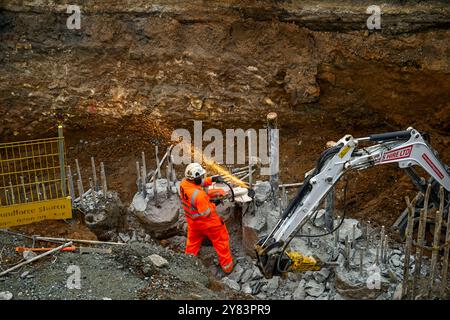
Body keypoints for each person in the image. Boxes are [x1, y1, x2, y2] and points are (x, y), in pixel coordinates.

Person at [179, 162, 234, 273]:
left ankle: (187, 264)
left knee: (192, 244)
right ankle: (228, 268)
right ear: (196, 179)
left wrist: (212, 179)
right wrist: (215, 203)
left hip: (193, 224)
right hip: (209, 224)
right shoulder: (199, 196)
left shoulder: (184, 184)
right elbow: (206, 213)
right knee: (221, 242)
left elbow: (199, 184)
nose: (202, 178)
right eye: (200, 177)